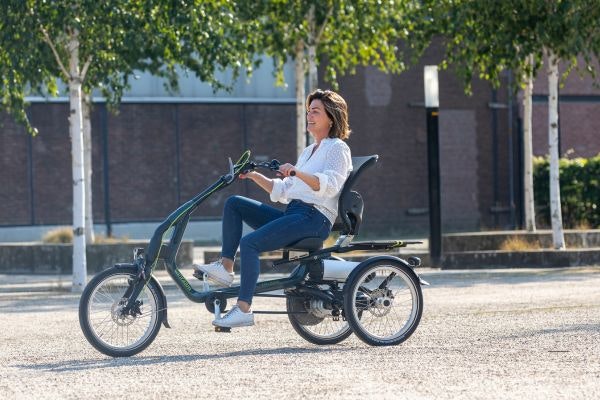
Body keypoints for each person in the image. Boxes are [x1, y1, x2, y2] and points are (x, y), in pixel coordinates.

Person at [194, 89, 352, 328]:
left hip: (314, 218)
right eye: (308, 111)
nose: (310, 115)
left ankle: (243, 309)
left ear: (331, 117)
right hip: (296, 213)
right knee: (234, 203)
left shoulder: (337, 148)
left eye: (316, 111)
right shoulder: (309, 151)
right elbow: (285, 190)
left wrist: (297, 171)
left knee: (250, 244)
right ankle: (226, 267)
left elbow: (329, 185)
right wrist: (254, 175)